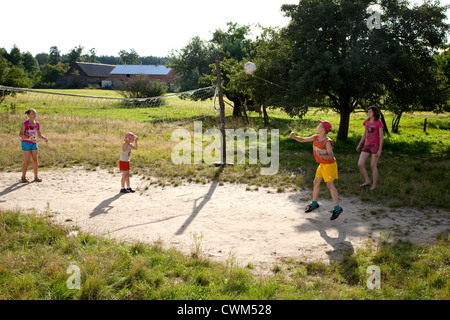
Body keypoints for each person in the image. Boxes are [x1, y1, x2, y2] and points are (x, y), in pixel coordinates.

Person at [290, 120, 343, 220]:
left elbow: (331, 156)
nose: (317, 127)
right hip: (322, 164)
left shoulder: (327, 142)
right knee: (316, 182)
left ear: (323, 129)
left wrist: (322, 154)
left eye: (319, 125)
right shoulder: (315, 137)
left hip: (329, 165)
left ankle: (337, 208)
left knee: (330, 185)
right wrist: (295, 137)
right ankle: (314, 204)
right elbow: (302, 139)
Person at [356, 106, 384, 190]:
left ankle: (374, 185)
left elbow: (381, 137)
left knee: (373, 166)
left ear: (375, 113)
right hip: (366, 145)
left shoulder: (379, 123)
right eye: (368, 111)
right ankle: (367, 181)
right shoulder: (366, 122)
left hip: (375, 146)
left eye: (370, 111)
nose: (368, 113)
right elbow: (365, 134)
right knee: (360, 164)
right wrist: (359, 144)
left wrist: (379, 150)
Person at [19, 109, 48, 183]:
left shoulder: (37, 123)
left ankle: (36, 177)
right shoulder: (25, 123)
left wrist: (44, 138)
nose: (35, 115)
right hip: (26, 143)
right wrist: (29, 138)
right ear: (28, 115)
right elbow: (20, 134)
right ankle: (23, 177)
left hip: (34, 143)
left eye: (35, 113)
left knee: (35, 160)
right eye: (33, 113)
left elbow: (39, 134)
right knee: (27, 160)